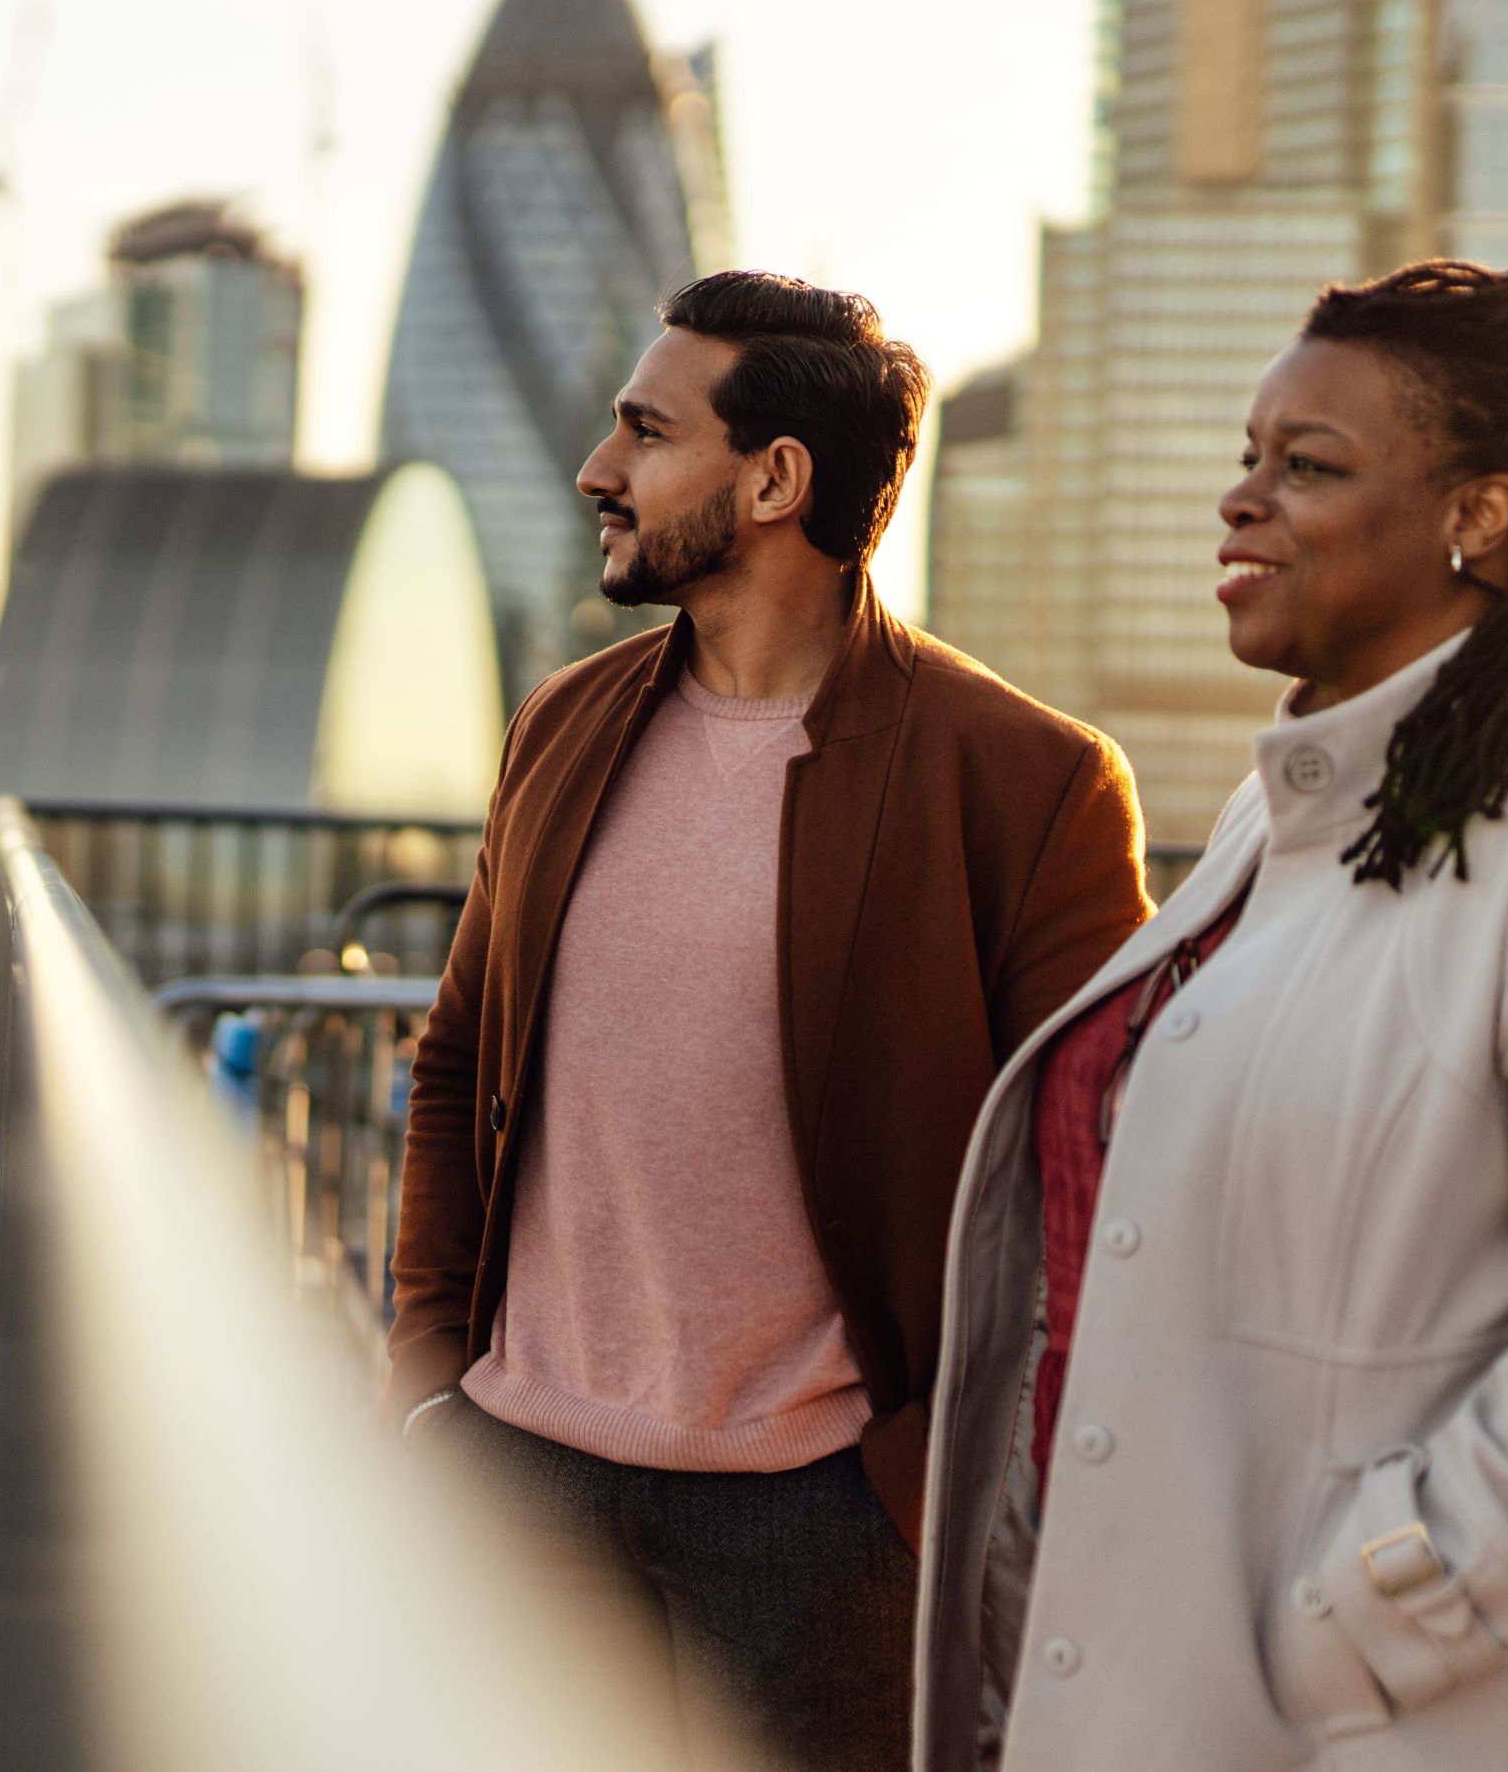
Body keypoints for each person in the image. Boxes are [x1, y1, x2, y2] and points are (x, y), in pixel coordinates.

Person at [911, 261, 1508, 1771]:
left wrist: (1364, 1618)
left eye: (1308, 466)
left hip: (1418, 1725)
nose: (1241, 502)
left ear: (1483, 514)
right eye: (1247, 458)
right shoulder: (1289, 826)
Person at [389, 270, 1151, 1770]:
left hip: (826, 1522)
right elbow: (459, 1063)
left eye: (645, 433)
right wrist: (426, 1375)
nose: (599, 472)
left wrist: (935, 1480)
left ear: (776, 480)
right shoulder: (561, 725)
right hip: (520, 1470)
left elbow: (1099, 1181)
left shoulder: (1025, 779)